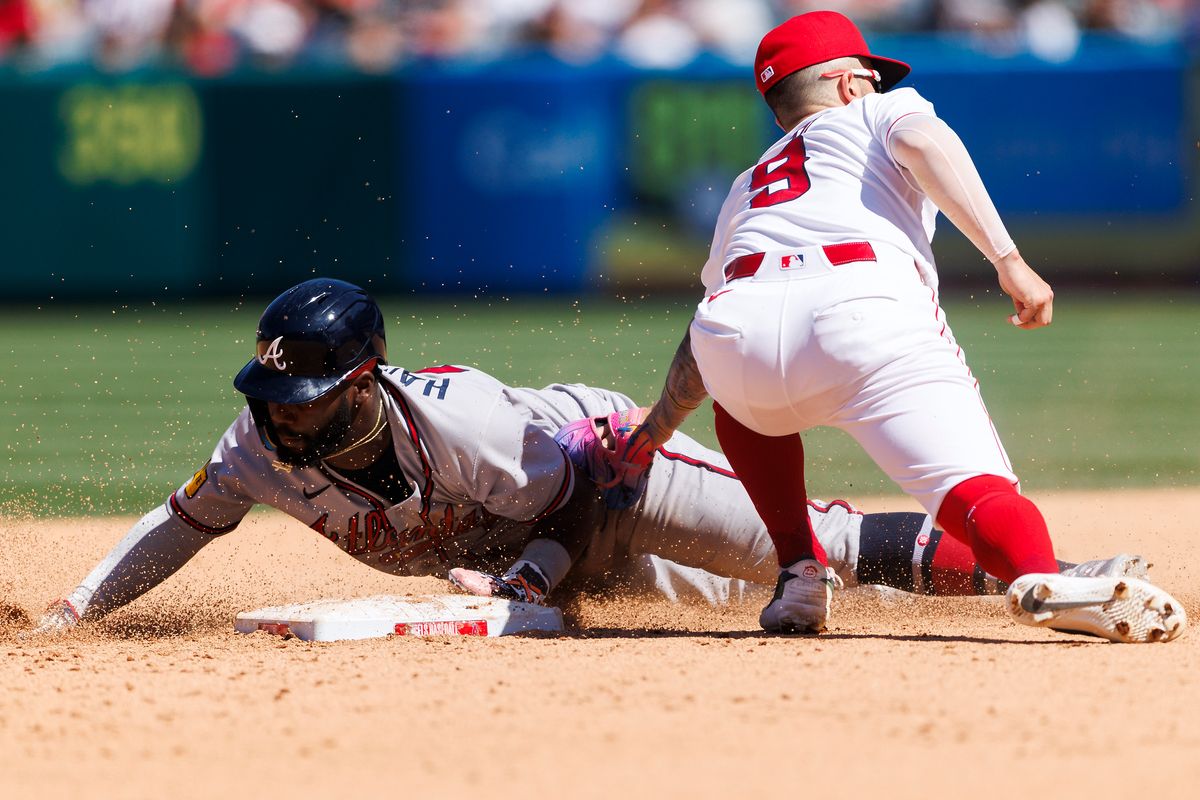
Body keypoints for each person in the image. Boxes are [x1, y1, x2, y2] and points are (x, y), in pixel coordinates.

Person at [28, 278, 1148, 636]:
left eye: (307, 397)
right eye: (274, 395)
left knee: (820, 547)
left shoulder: (464, 425)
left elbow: (582, 496)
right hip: (528, 544)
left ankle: (1049, 571)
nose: (284, 417)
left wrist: (525, 584)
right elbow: (183, 521)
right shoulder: (256, 450)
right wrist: (81, 608)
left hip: (610, 466)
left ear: (365, 382)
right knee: (718, 595)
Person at [607, 11, 1186, 642]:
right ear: (847, 83)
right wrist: (1009, 261)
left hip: (733, 332)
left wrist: (655, 429)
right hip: (860, 310)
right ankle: (1040, 576)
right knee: (975, 493)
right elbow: (923, 143)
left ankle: (800, 572)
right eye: (871, 77)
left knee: (742, 400)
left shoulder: (747, 187)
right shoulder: (881, 112)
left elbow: (707, 332)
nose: (879, 86)